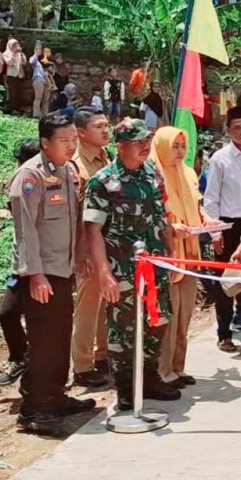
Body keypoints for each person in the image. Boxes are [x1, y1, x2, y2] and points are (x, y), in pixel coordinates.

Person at [7, 113, 96, 434]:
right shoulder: (29, 176)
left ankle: (55, 396)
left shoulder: (68, 170)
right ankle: (33, 410)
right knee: (43, 342)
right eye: (64, 140)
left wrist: (81, 256)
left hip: (63, 270)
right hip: (41, 275)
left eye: (74, 139)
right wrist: (36, 275)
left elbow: (73, 222)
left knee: (59, 338)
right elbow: (25, 231)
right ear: (46, 142)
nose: (72, 145)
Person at [83, 119, 181, 411]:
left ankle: (148, 379)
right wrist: (104, 273)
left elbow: (162, 219)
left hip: (156, 266)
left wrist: (172, 255)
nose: (144, 147)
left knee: (157, 320)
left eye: (146, 141)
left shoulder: (153, 173)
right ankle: (125, 389)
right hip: (122, 268)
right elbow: (93, 232)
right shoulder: (104, 181)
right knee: (122, 330)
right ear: (120, 145)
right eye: (137, 142)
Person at [150, 127, 213, 388]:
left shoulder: (188, 173)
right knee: (169, 314)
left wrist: (208, 221)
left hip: (189, 252)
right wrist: (169, 227)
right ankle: (162, 371)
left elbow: (197, 207)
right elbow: (152, 214)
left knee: (185, 313)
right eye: (173, 146)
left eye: (181, 146)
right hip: (166, 254)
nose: (179, 152)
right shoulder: (153, 175)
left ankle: (178, 367)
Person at [204, 107, 241, 354]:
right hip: (228, 225)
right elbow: (211, 198)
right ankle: (224, 333)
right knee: (225, 282)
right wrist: (215, 232)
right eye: (236, 127)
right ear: (228, 130)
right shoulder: (219, 158)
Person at [0, 139, 48, 387]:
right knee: (7, 313)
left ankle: (44, 376)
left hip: (46, 264)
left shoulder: (47, 181)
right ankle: (19, 357)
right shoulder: (20, 180)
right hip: (21, 264)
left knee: (43, 322)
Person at [69, 108, 113, 388]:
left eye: (107, 125)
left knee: (103, 304)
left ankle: (102, 355)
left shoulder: (105, 158)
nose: (106, 130)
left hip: (106, 243)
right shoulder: (77, 166)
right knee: (86, 307)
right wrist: (81, 252)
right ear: (81, 133)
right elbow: (76, 217)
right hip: (87, 246)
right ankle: (82, 365)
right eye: (99, 126)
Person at [2, 39, 26, 110]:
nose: (15, 46)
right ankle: (13, 108)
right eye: (13, 45)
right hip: (11, 75)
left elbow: (24, 63)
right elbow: (10, 63)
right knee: (13, 93)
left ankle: (18, 107)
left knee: (19, 92)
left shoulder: (20, 54)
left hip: (19, 75)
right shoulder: (6, 54)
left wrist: (21, 54)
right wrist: (13, 53)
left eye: (16, 44)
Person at [29, 43, 49, 118]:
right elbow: (32, 62)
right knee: (38, 97)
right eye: (37, 49)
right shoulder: (33, 58)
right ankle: (36, 114)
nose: (38, 51)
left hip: (44, 81)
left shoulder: (41, 61)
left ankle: (45, 114)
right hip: (37, 79)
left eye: (40, 49)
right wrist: (35, 54)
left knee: (45, 99)